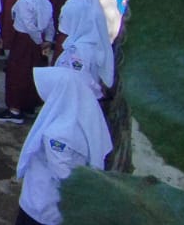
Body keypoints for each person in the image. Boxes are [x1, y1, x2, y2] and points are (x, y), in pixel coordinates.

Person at [15, 68, 113, 225]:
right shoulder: (82, 121)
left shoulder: (57, 133)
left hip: (43, 205)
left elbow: (63, 174)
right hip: (56, 207)